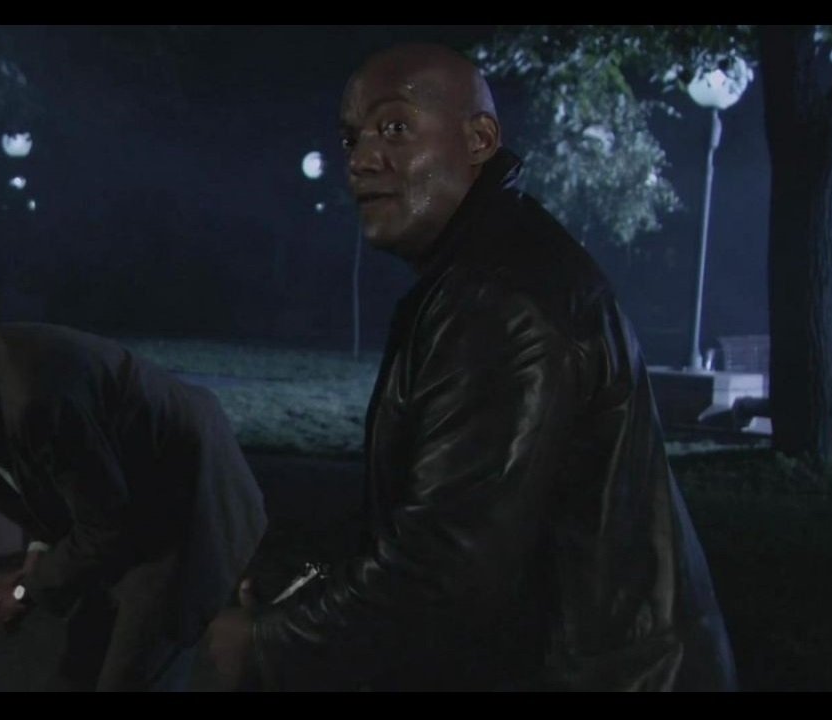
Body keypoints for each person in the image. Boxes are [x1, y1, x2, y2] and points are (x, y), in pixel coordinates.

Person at [206, 43, 737, 691]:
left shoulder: (501, 301)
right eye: (352, 138)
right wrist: (303, 578)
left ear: (479, 139)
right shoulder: (482, 274)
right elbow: (426, 515)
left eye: (394, 127)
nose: (361, 159)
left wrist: (261, 645)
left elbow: (444, 570)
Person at [0, 323, 267, 691]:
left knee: (131, 675)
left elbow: (105, 526)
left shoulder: (35, 399)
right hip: (124, 510)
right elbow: (52, 491)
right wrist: (32, 567)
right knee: (77, 671)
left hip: (183, 506)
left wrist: (24, 590)